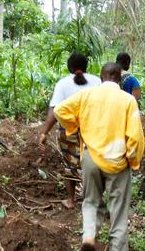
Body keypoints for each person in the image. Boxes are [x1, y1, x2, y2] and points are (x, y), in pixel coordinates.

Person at [54, 62, 145, 251]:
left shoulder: (87, 96)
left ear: (102, 77)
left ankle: (88, 238)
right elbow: (135, 137)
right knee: (118, 212)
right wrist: (133, 160)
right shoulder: (127, 100)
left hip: (90, 159)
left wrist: (75, 126)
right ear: (119, 79)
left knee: (90, 202)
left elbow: (60, 110)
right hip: (118, 161)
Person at [38, 52, 100, 209]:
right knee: (94, 162)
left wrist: (44, 132)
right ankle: (93, 199)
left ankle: (71, 200)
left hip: (69, 130)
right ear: (86, 66)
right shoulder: (97, 81)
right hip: (94, 130)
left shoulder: (63, 84)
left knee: (70, 164)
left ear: (69, 67)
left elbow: (54, 111)